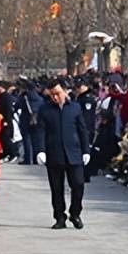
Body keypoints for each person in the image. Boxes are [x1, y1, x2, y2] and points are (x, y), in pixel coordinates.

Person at [38, 78, 91, 230]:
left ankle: (75, 213)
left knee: (78, 184)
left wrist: (86, 151)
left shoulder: (75, 108)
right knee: (56, 188)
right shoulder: (45, 109)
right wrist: (41, 150)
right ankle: (60, 217)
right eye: (52, 95)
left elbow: (82, 131)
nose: (55, 97)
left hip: (74, 153)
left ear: (65, 91)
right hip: (54, 153)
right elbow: (40, 131)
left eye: (58, 94)